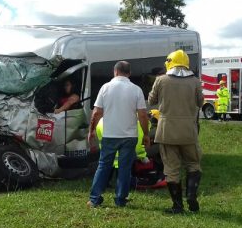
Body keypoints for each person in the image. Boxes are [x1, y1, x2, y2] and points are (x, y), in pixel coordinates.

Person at [87, 61, 150, 208]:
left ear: (115, 72)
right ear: (129, 73)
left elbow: (96, 113)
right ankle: (121, 199)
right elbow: (142, 115)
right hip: (129, 136)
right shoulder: (136, 90)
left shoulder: (105, 88)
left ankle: (94, 199)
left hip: (110, 134)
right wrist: (146, 134)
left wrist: (91, 130)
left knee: (103, 166)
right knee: (125, 168)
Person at [148, 49, 204, 213]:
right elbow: (201, 103)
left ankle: (177, 206)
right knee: (193, 164)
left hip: (167, 131)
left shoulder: (161, 80)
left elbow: (152, 100)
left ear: (169, 62)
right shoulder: (195, 81)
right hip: (188, 131)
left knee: (171, 169)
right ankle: (192, 195)